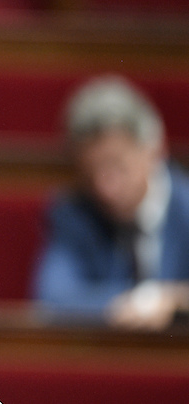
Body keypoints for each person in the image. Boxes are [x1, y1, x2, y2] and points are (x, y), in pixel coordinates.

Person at [33, 74, 189, 331]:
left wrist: (173, 298)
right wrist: (139, 302)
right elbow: (54, 298)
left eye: (117, 166)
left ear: (154, 150)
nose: (105, 187)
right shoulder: (73, 213)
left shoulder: (185, 207)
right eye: (91, 171)